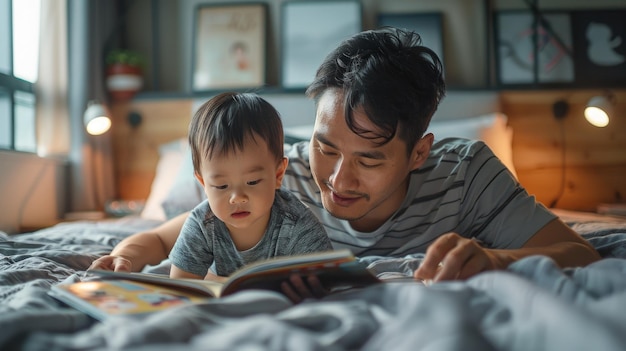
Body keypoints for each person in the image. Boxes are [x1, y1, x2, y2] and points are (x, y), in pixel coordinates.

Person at [90, 28, 599, 294]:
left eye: (371, 158)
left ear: (418, 152)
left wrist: (495, 260)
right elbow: (170, 234)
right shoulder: (278, 173)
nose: (335, 178)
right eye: (325, 146)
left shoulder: (467, 174)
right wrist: (129, 254)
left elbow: (577, 253)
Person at [167, 92, 332, 280]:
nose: (237, 197)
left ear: (278, 175)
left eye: (252, 182)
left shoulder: (297, 225)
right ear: (204, 183)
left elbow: (325, 281)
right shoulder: (203, 224)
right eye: (221, 186)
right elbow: (181, 285)